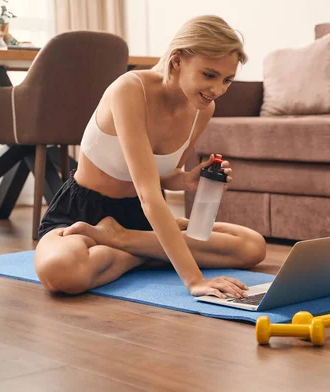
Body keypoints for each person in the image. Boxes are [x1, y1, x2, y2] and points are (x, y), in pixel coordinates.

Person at [33, 15, 267, 299]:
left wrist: (185, 180)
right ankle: (150, 252)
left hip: (139, 221)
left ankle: (123, 242)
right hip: (84, 213)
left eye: (227, 79)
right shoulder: (130, 89)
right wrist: (195, 280)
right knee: (60, 271)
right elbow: (149, 195)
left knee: (252, 246)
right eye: (209, 75)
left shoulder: (203, 109)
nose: (217, 90)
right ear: (178, 60)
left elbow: (159, 176)